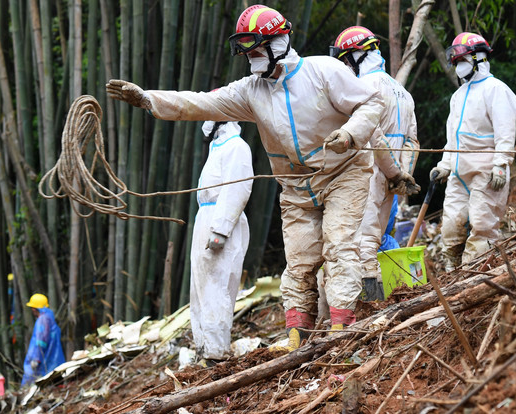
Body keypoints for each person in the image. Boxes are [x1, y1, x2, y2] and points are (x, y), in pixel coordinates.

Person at [107, 5, 414, 351]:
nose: (252, 60)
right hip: (297, 187)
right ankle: (299, 339)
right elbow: (201, 103)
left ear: (280, 41)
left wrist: (351, 136)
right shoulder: (251, 91)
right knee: (298, 262)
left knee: (342, 247)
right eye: (247, 53)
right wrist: (150, 100)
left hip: (344, 174)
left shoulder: (324, 71)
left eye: (257, 50)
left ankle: (346, 333)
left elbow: (371, 107)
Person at [329, 26, 420, 295]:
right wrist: (403, 175)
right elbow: (413, 142)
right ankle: (384, 300)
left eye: (346, 59)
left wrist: (392, 172)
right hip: (392, 179)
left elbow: (373, 136)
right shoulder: (403, 91)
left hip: (369, 172)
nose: (345, 66)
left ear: (357, 55)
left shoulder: (364, 87)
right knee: (375, 239)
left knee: (362, 245)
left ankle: (371, 306)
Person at [430, 32, 516, 270]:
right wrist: (445, 165)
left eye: (463, 60)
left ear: (479, 58)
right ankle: (451, 271)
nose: (459, 66)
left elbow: (505, 132)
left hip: (487, 171)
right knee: (451, 225)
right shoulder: (458, 96)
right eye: (457, 62)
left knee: (482, 225)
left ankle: (475, 274)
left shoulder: (496, 90)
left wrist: (501, 164)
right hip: (459, 171)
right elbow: (453, 137)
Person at [191, 120, 252, 360]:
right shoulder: (218, 147)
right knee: (201, 287)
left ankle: (216, 350)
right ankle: (204, 346)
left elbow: (237, 190)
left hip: (220, 218)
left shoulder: (236, 147)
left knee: (217, 284)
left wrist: (221, 229)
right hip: (206, 216)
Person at [22, 293, 65, 386]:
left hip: (44, 361)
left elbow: (41, 341)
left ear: (34, 308)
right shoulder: (49, 317)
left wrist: (36, 359)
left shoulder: (43, 320)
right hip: (53, 360)